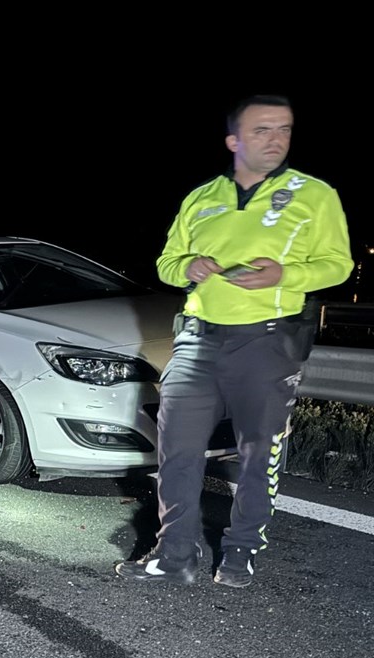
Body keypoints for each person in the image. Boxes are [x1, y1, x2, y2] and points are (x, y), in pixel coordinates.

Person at [115, 95, 354, 588]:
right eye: (263, 130)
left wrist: (284, 275)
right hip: (198, 341)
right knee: (177, 450)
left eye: (284, 129)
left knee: (257, 452)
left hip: (267, 343)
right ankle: (174, 554)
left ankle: (241, 550)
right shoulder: (201, 198)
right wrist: (188, 267)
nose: (276, 139)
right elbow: (166, 263)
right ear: (234, 140)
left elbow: (339, 264)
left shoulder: (314, 195)